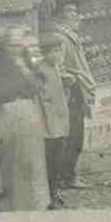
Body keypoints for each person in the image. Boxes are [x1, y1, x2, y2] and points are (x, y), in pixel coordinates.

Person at [0, 28, 50, 212]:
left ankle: (35, 204)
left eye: (19, 46)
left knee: (32, 162)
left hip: (29, 116)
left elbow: (38, 86)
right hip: (7, 116)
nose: (16, 50)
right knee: (13, 164)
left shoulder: (26, 62)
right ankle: (13, 206)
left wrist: (25, 70)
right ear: (3, 45)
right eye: (11, 46)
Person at [52, 0, 96, 190]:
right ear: (60, 15)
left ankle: (67, 175)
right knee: (73, 135)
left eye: (76, 11)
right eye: (70, 11)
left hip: (75, 89)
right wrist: (70, 79)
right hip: (70, 92)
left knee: (75, 134)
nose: (75, 16)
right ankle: (67, 176)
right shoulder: (60, 37)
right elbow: (58, 66)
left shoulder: (70, 35)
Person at [38, 33, 70, 209]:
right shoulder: (41, 70)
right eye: (51, 52)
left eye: (58, 51)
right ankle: (49, 196)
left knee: (57, 160)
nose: (56, 55)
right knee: (49, 162)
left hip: (58, 121)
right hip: (48, 124)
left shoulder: (57, 68)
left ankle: (55, 192)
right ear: (44, 53)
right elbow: (43, 99)